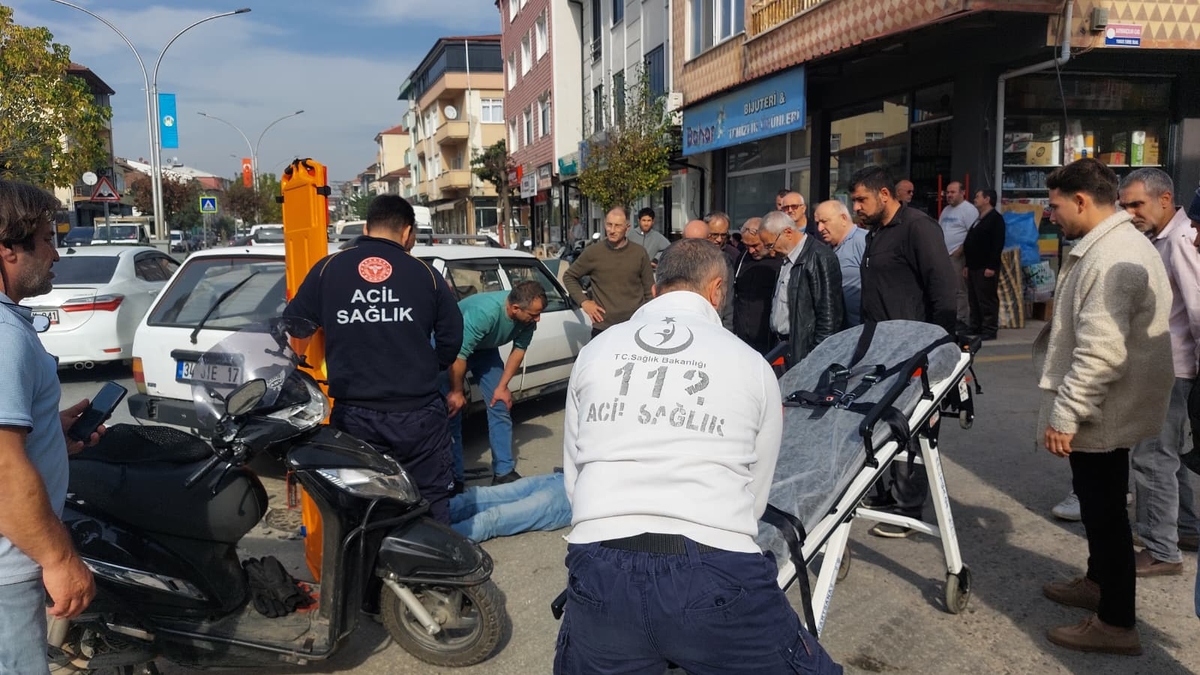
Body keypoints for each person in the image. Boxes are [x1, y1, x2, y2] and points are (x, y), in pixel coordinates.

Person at [556, 238, 842, 675]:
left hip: (600, 564)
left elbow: (575, 477)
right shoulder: (751, 364)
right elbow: (755, 493)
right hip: (714, 567)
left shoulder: (596, 351)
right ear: (716, 290)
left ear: (656, 288)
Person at [1037, 158, 1172, 656]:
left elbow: (1101, 352)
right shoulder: (1109, 245)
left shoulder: (1112, 253)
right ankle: (1098, 583)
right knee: (1100, 506)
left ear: (1080, 201)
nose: (1051, 216)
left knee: (1106, 513)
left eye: (1055, 206)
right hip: (1109, 405)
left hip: (1103, 409)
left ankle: (1116, 623)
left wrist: (1066, 414)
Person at [284, 194, 464, 524]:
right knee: (429, 496)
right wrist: (431, 366)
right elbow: (452, 336)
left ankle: (369, 557)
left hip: (355, 414)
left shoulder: (328, 268)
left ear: (366, 228)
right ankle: (429, 555)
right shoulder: (425, 273)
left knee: (360, 503)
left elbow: (295, 326)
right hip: (417, 412)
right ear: (407, 232)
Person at [0, 179, 103, 673]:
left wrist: (47, 431)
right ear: (7, 248)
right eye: (46, 239)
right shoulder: (5, 337)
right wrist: (60, 560)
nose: (56, 254)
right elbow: (3, 470)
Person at [851, 166, 957, 538]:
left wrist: (940, 347)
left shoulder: (918, 228)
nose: (856, 207)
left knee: (915, 429)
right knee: (888, 424)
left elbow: (943, 289)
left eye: (861, 199)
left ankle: (909, 506)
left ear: (884, 194)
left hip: (915, 350)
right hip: (881, 349)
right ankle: (889, 494)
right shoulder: (876, 233)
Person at [1118, 168, 1200, 573]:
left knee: (1152, 458)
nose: (1131, 213)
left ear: (1165, 199)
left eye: (1138, 204)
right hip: (1168, 366)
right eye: (1125, 206)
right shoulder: (1162, 238)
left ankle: (1160, 550)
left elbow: (1198, 309)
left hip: (1173, 368)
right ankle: (1184, 528)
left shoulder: (1181, 240)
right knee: (1170, 456)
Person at [443, 281, 547, 487]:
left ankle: (503, 471)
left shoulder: (527, 318)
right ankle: (454, 478)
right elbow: (459, 355)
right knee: (452, 411)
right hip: (452, 347)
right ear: (515, 308)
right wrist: (456, 392)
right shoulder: (484, 313)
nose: (538, 319)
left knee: (500, 404)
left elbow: (519, 351)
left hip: (485, 350)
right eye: (534, 314)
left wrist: (502, 387)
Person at [760, 210, 844, 367]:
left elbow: (829, 317)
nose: (771, 253)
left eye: (771, 245)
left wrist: (815, 359)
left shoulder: (819, 257)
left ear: (788, 232)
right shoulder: (786, 259)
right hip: (782, 348)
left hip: (805, 353)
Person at [563, 206, 654, 337]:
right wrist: (584, 302)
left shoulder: (639, 253)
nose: (612, 230)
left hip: (634, 327)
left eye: (617, 226)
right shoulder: (593, 252)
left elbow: (649, 291)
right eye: (609, 225)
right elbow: (569, 276)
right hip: (603, 327)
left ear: (627, 228)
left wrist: (649, 320)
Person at [450, 472, 571, 542]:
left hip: (567, 498)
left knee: (491, 519)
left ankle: (442, 543)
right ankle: (437, 520)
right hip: (559, 477)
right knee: (475, 497)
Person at [733, 217, 783, 354]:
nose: (751, 251)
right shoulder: (742, 258)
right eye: (746, 246)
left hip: (769, 338)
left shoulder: (781, 261)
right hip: (742, 336)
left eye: (755, 245)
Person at [814, 200, 866, 328]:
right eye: (817, 223)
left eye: (824, 221)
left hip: (864, 329)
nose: (820, 228)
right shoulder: (826, 250)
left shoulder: (864, 241)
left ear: (843, 218)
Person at [963, 189, 1006, 341]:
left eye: (978, 196)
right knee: (974, 298)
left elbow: (997, 244)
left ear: (987, 199)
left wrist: (992, 266)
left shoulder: (995, 219)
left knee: (986, 299)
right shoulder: (979, 219)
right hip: (974, 266)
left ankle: (989, 329)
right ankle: (976, 325)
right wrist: (967, 265)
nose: (975, 199)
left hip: (986, 266)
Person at [939, 181, 979, 333]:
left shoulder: (968, 210)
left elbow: (973, 234)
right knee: (947, 289)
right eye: (947, 192)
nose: (949, 195)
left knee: (960, 289)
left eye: (953, 192)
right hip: (944, 256)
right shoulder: (946, 210)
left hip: (957, 257)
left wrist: (961, 250)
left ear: (962, 193)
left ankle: (962, 319)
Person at [684, 219, 735, 331]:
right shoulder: (674, 260)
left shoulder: (723, 261)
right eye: (690, 242)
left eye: (723, 235)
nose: (719, 239)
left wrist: (726, 331)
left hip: (713, 325)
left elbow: (727, 301)